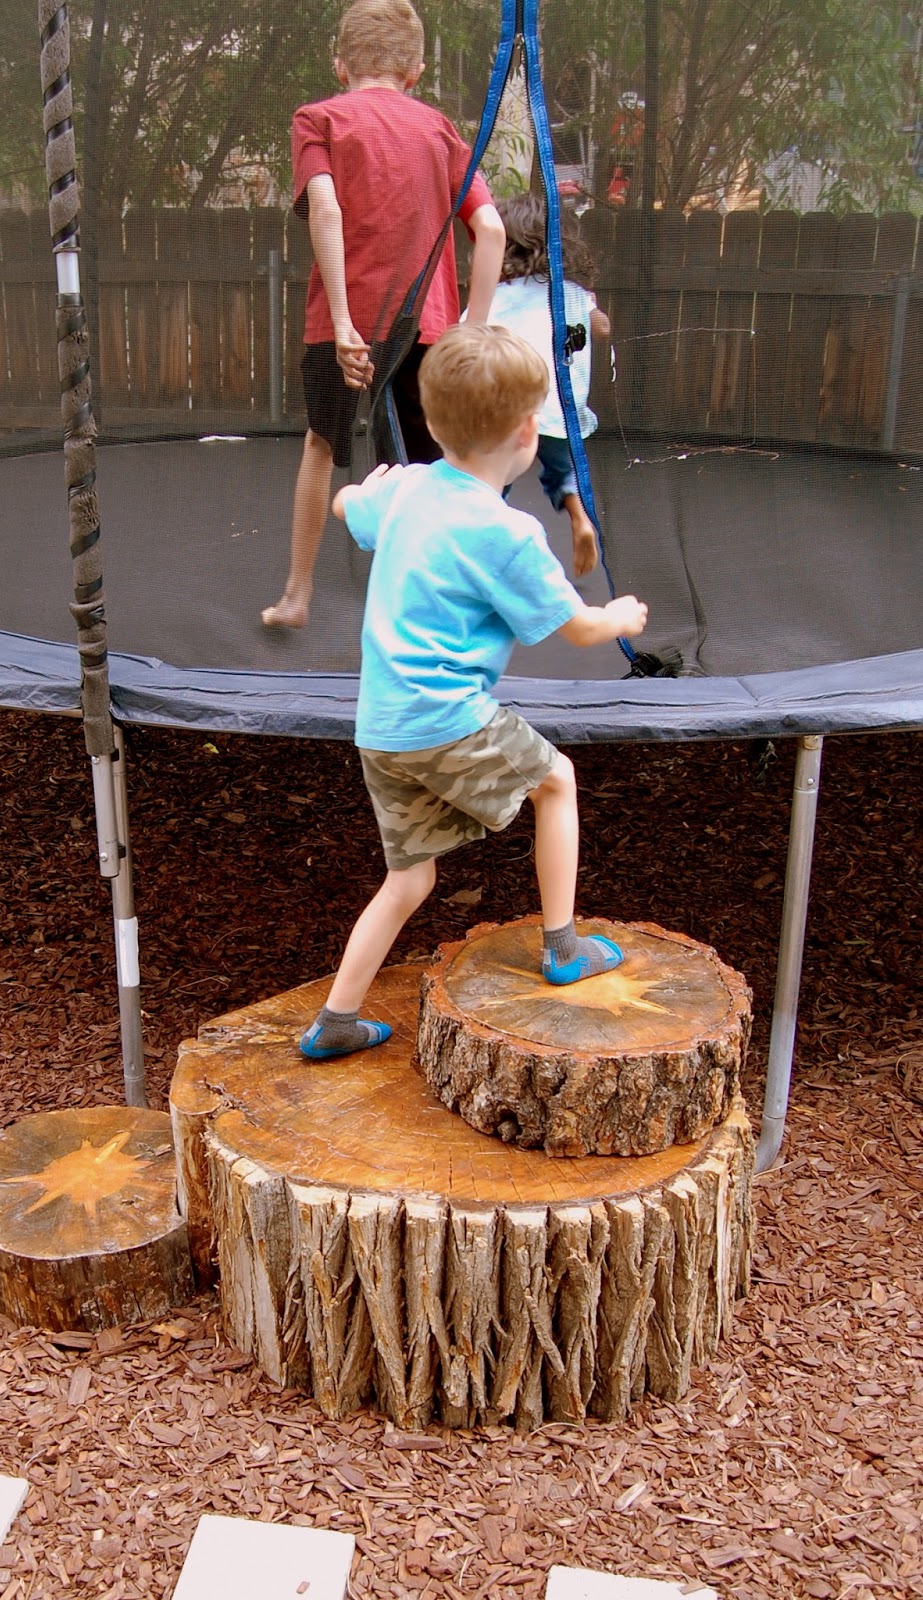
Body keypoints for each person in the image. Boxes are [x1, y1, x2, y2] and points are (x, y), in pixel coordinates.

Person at [298, 322, 648, 1061]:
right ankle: (562, 948)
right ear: (528, 433)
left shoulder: (410, 491)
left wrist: (366, 488)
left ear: (428, 423)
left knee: (407, 879)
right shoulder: (506, 532)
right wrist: (614, 615)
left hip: (382, 728)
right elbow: (577, 629)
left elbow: (344, 510)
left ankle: (336, 1020)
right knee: (557, 782)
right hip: (444, 717)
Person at [261, 0, 506, 630]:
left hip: (339, 328)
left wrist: (344, 324)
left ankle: (297, 594)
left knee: (322, 447)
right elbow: (492, 230)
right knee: (430, 472)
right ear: (417, 69)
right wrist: (469, 334)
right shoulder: (439, 130)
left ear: (340, 65)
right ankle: (428, 613)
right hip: (426, 330)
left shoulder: (319, 119)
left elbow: (326, 208)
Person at [487, 193, 610, 582]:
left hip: (512, 412)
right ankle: (579, 519)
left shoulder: (500, 296)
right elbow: (603, 326)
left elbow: (470, 337)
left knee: (493, 480)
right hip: (561, 409)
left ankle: (487, 547)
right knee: (564, 474)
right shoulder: (571, 293)